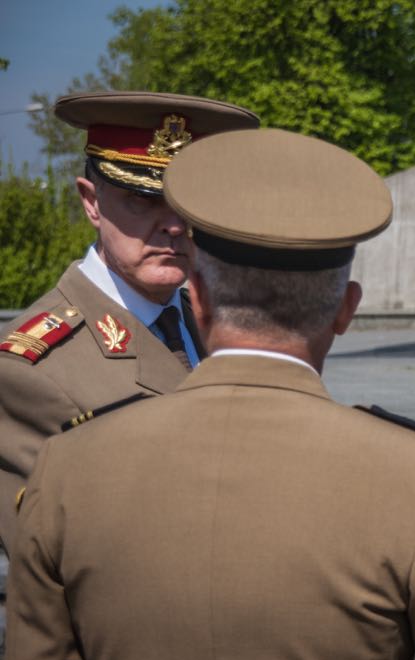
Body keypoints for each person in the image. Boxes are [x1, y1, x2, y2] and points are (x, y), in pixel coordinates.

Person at [5, 128, 415, 660]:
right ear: (346, 310)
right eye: (142, 198)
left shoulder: (66, 465)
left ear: (198, 297)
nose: (170, 227)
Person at [0, 91, 259, 548]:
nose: (175, 225)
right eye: (144, 199)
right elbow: (56, 558)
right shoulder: (28, 370)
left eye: (190, 203)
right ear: (92, 203)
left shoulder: (218, 326)